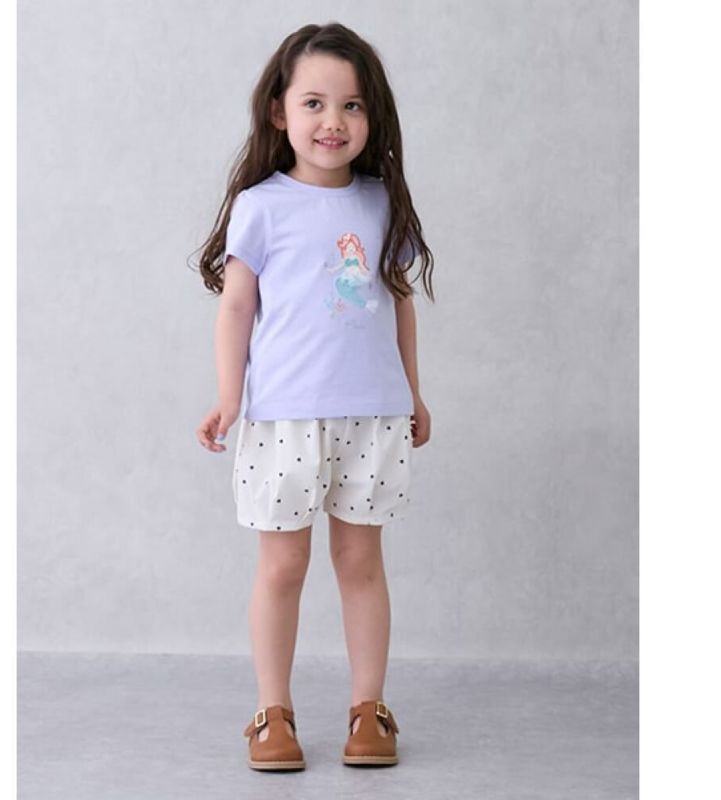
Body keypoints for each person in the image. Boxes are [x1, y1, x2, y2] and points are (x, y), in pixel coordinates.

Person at [192, 21, 434, 771]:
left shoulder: (381, 203)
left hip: (374, 413)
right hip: (283, 417)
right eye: (315, 103)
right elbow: (236, 307)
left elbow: (398, 303)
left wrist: (414, 394)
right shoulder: (261, 206)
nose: (334, 121)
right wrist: (229, 396)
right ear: (279, 111)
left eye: (353, 105)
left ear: (372, 116)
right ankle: (273, 714)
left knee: (361, 562)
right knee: (282, 567)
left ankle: (370, 709)